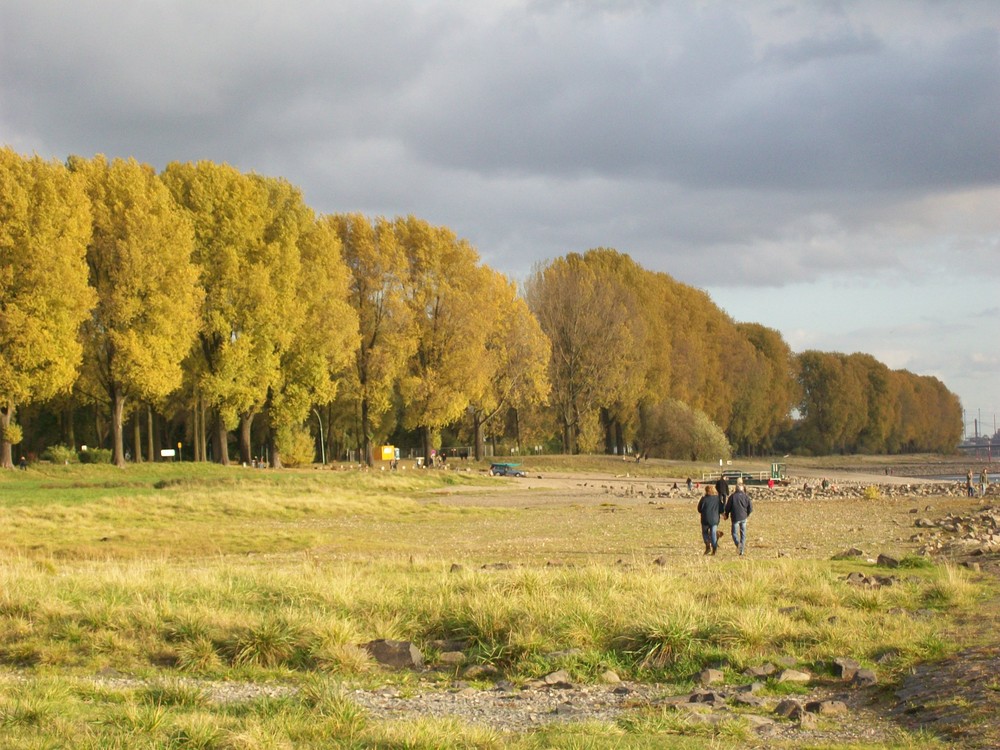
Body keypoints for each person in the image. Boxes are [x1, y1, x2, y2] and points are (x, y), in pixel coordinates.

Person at [724, 479, 753, 556]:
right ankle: (742, 550)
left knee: (734, 533)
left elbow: (727, 507)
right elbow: (750, 508)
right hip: (743, 517)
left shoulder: (732, 497)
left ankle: (738, 544)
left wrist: (726, 514)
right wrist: (747, 514)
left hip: (735, 517)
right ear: (742, 489)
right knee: (743, 534)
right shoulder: (746, 497)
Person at [697, 485, 724, 556]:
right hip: (714, 519)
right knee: (713, 533)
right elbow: (721, 509)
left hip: (705, 518)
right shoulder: (717, 499)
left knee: (705, 533)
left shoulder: (704, 499)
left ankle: (707, 545)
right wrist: (723, 514)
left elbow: (699, 509)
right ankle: (714, 548)